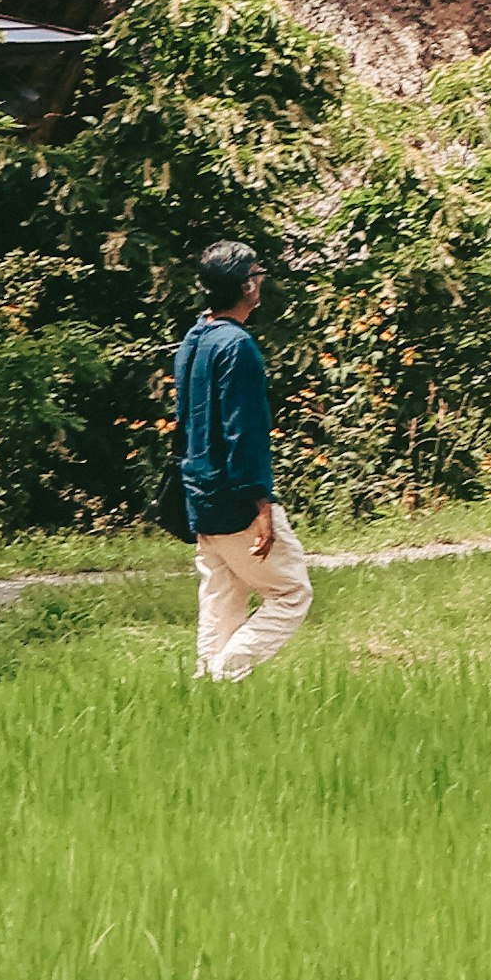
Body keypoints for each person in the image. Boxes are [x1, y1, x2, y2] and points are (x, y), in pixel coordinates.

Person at [176, 242, 311, 683]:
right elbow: (244, 432)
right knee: (291, 593)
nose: (261, 280)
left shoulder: (195, 341)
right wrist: (263, 504)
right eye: (258, 272)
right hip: (235, 499)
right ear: (245, 285)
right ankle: (225, 673)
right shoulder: (237, 347)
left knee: (222, 597)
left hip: (199, 493)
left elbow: (188, 424)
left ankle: (206, 694)